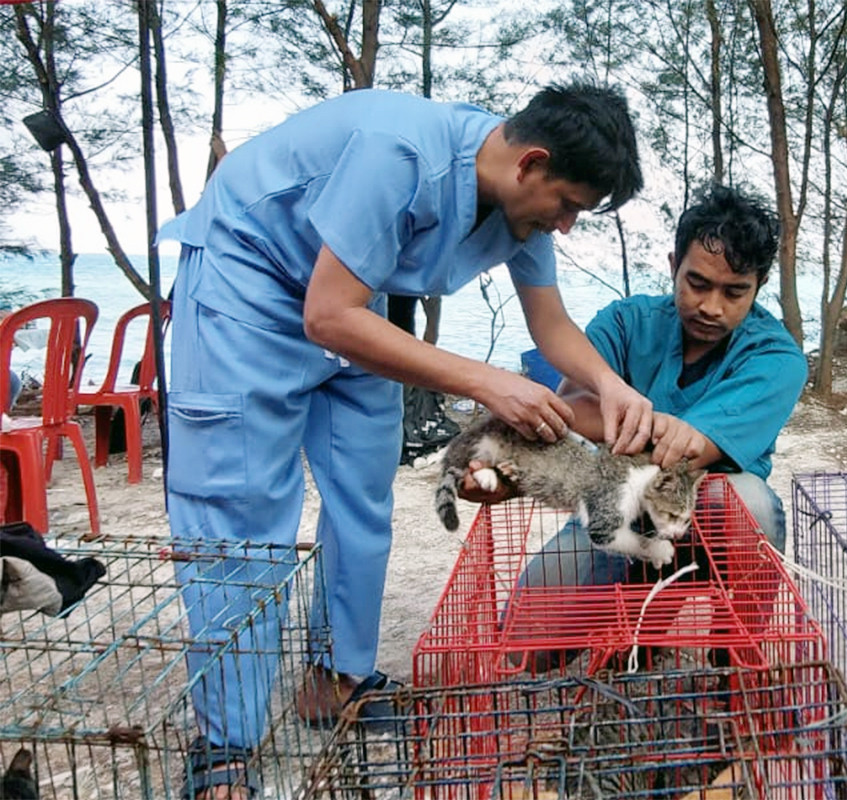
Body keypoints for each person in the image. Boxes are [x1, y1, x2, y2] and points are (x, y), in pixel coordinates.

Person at [159, 82, 652, 800]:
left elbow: (549, 323)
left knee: (363, 492)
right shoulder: (400, 154)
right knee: (243, 509)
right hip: (252, 282)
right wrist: (488, 382)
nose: (568, 225)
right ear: (531, 163)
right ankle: (225, 743)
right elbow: (327, 316)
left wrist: (610, 385)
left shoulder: (520, 210)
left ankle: (336, 678)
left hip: (360, 301)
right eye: (569, 205)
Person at [463, 184, 808, 671]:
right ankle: (641, 618)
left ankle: (735, 652)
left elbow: (682, 454)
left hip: (704, 524)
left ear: (759, 284)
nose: (712, 307)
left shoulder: (777, 357)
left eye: (734, 292)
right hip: (618, 507)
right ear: (673, 265)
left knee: (749, 501)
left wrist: (610, 420)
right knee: (523, 645)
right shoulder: (626, 322)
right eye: (697, 283)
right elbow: (569, 407)